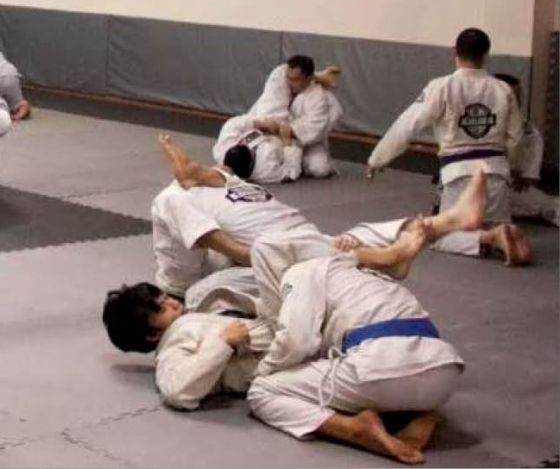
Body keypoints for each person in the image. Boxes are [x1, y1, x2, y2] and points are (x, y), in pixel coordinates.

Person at [102, 173, 486, 417]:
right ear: (152, 335)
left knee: (279, 247)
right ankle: (396, 252)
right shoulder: (171, 350)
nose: (171, 301)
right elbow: (179, 391)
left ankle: (399, 248)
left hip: (279, 320)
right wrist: (222, 342)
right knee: (300, 253)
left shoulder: (198, 302)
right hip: (283, 343)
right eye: (161, 309)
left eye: (163, 297)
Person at [247, 233, 465, 464]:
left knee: (262, 391)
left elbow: (296, 341)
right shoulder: (365, 274)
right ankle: (421, 414)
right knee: (372, 379)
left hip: (381, 370)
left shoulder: (301, 271)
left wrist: (263, 370)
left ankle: (353, 427)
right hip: (443, 378)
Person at [148, 134, 423, 296]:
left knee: (320, 245)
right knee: (297, 252)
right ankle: (385, 258)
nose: (219, 171)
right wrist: (266, 254)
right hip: (188, 283)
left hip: (225, 255)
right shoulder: (175, 200)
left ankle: (405, 241)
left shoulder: (231, 183)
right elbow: (239, 250)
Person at [368, 27, 532, 265]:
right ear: (486, 53)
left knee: (436, 237)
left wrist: (378, 158)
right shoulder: (503, 88)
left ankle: (489, 238)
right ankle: (502, 232)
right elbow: (516, 137)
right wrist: (513, 167)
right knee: (492, 222)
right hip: (497, 173)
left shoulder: (442, 87)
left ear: (455, 51)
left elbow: (408, 124)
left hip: (459, 175)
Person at [212, 57, 342, 182]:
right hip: (288, 139)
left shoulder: (222, 151)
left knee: (274, 99)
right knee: (319, 168)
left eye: (295, 79)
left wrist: (257, 123)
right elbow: (290, 171)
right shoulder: (265, 171)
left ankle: (316, 77)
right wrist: (288, 143)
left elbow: (232, 125)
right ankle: (301, 155)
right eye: (290, 79)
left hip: (275, 124)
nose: (290, 82)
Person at [495, 73, 558, 226]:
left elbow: (526, 180)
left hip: (507, 188)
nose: (515, 102)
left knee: (548, 204)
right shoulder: (472, 123)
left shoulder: (529, 132)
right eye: (510, 97)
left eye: (518, 97)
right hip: (471, 186)